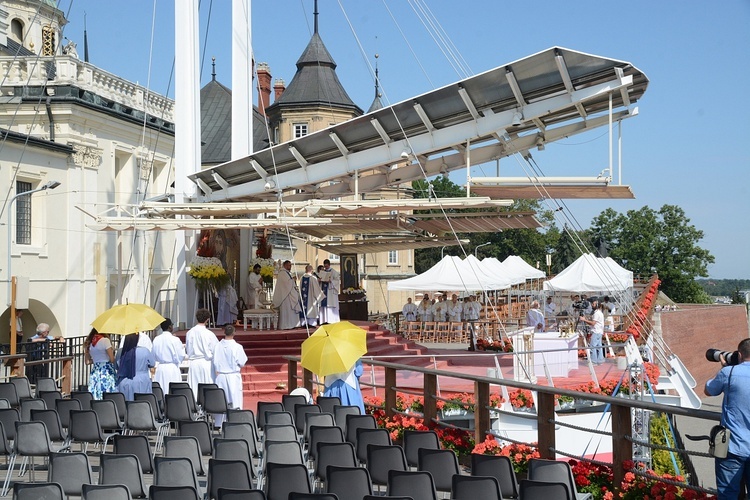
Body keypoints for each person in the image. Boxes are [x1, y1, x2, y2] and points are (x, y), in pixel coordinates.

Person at [705, 338, 750, 499]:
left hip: (732, 447)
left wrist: (725, 368)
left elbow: (708, 390)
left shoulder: (729, 373)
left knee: (728, 494)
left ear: (739, 354)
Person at [212, 324, 248, 428]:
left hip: (221, 376)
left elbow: (214, 361)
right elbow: (242, 362)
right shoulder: (237, 347)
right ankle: (236, 421)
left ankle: (219, 422)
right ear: (234, 333)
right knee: (234, 399)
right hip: (232, 376)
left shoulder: (218, 346)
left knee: (221, 400)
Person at [186, 308, 218, 396]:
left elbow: (188, 348)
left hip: (194, 363)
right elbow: (215, 349)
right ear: (207, 319)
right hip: (206, 363)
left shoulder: (189, 333)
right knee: (207, 388)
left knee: (194, 388)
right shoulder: (209, 334)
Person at [116, 333, 156, 400]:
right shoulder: (145, 350)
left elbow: (117, 366)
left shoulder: (120, 351)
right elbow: (152, 363)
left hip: (124, 381)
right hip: (141, 381)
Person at [152, 318, 186, 393]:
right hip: (172, 368)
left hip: (160, 368)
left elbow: (153, 355)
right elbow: (181, 355)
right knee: (173, 391)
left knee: (161, 390)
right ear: (170, 326)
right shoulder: (175, 339)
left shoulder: (156, 339)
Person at [84, 328, 116, 399]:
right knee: (108, 391)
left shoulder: (89, 343)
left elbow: (87, 362)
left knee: (96, 392)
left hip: (95, 369)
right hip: (106, 369)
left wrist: (96, 360)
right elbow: (112, 359)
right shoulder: (105, 341)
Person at [273, 260, 301, 330]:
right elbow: (286, 284)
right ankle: (286, 325)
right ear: (285, 265)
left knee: (291, 311)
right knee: (287, 311)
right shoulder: (282, 273)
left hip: (289, 294)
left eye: (290, 265)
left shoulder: (287, 273)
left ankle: (293, 324)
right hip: (285, 296)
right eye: (289, 265)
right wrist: (292, 279)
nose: (290, 267)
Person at [579, 300, 605, 364]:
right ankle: (600, 360)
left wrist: (584, 320)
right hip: (599, 331)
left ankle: (593, 361)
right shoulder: (599, 313)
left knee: (592, 347)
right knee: (599, 346)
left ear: (596, 305)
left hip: (596, 331)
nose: (592, 305)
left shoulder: (597, 313)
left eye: (593, 304)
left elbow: (593, 323)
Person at [318, 259, 341, 324]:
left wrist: (331, 281)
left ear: (329, 265)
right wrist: (320, 280)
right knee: (324, 305)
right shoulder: (323, 271)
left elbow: (337, 281)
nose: (326, 268)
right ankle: (324, 320)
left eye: (327, 266)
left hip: (330, 291)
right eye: (325, 266)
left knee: (330, 305)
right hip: (324, 290)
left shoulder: (334, 272)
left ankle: (332, 320)